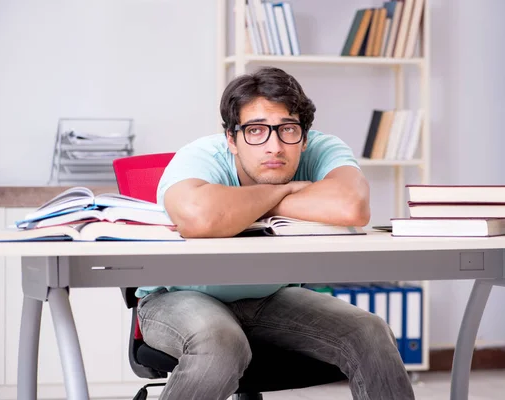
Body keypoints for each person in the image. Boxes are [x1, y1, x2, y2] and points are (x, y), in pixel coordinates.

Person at [136, 66, 415, 400]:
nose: (275, 146)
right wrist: (290, 192)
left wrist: (249, 204)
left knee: (369, 332)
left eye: (288, 129)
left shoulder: (321, 148)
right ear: (232, 139)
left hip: (270, 297)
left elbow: (351, 206)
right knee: (220, 343)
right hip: (178, 295)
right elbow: (198, 219)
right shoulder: (200, 156)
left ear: (305, 135)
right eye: (255, 131)